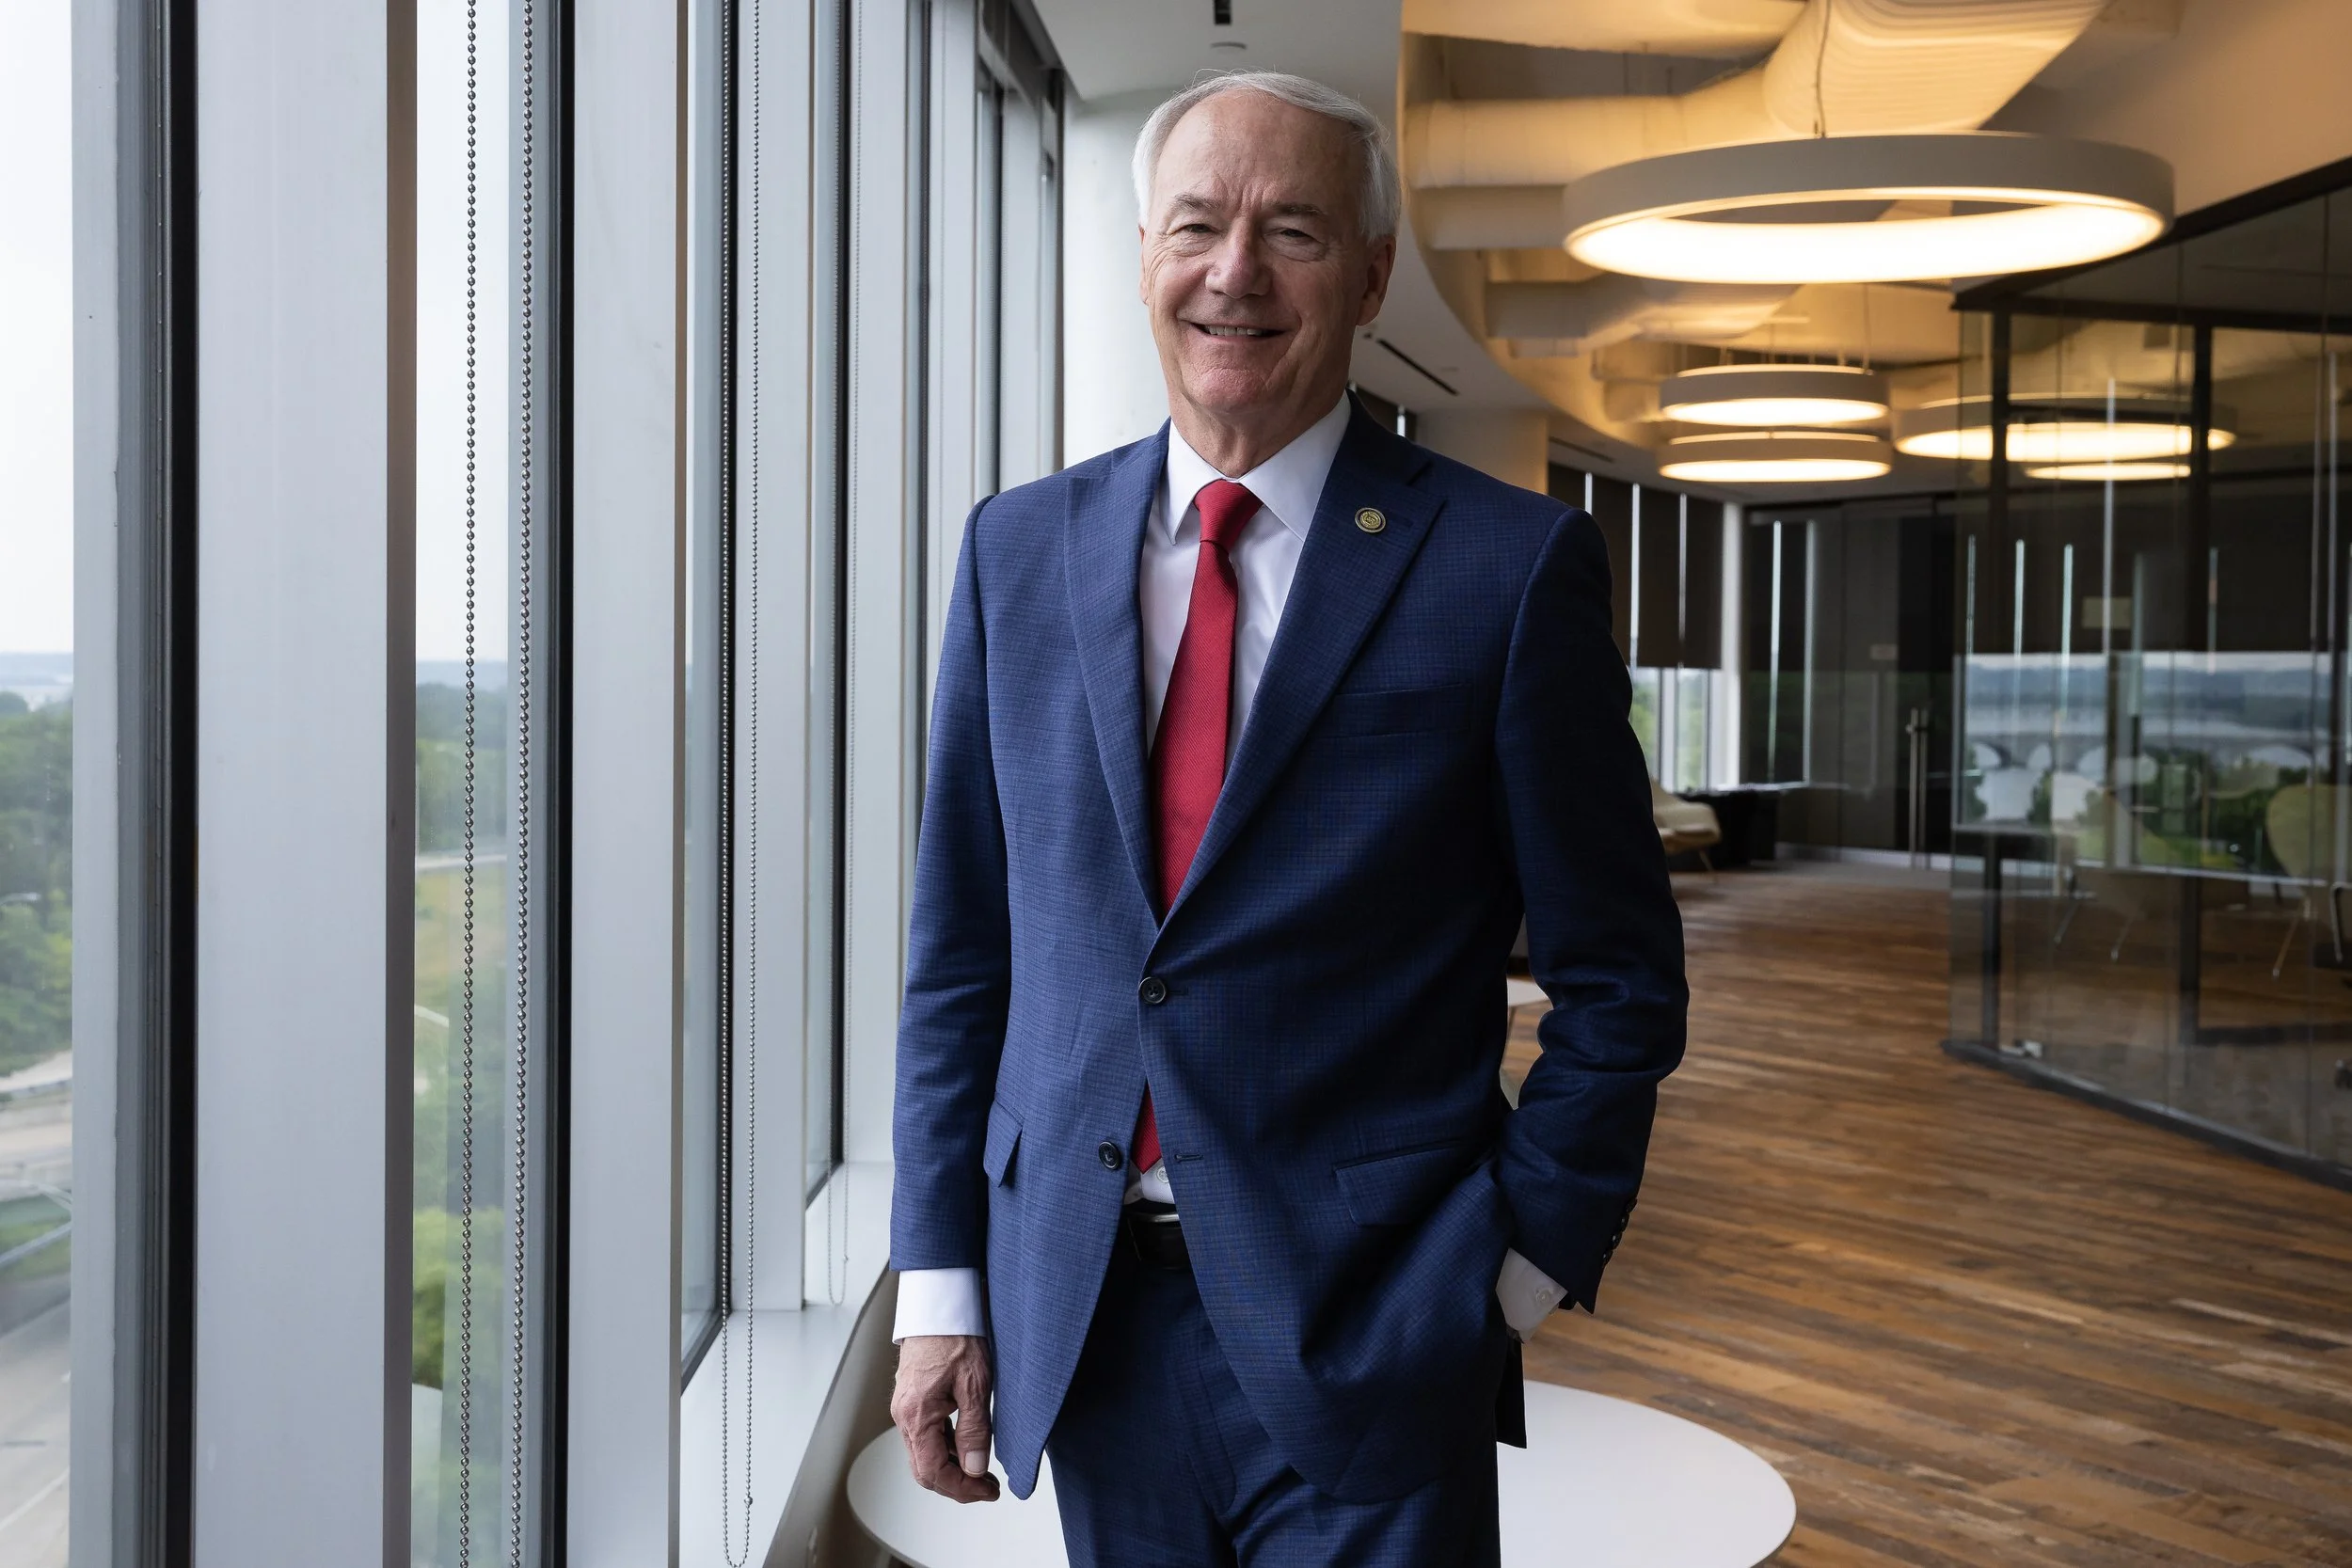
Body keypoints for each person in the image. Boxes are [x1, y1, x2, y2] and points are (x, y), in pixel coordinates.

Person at [887, 70, 1686, 1566]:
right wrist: (942, 1281)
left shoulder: (1508, 571)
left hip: (1374, 1327)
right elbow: (964, 954)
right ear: (1143, 258)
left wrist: (1506, 1272)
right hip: (1086, 1319)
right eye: (1196, 225)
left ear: (1375, 275)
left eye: (1295, 232)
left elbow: (1622, 978)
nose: (1234, 272)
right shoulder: (1016, 553)